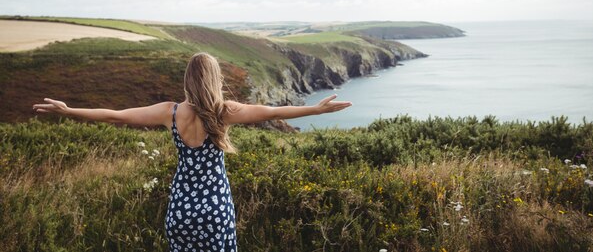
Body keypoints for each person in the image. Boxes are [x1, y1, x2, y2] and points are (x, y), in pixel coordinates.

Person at [32, 51, 353, 252]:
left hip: (180, 213)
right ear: (215, 80)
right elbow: (272, 111)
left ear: (187, 79)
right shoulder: (224, 111)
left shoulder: (169, 112)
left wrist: (69, 110)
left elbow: (116, 115)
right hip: (215, 212)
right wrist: (315, 109)